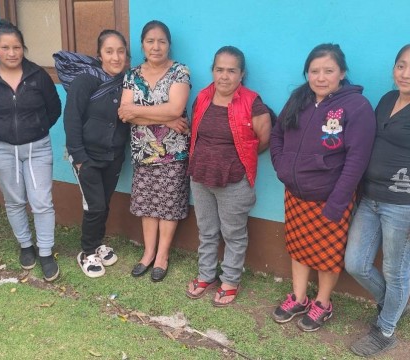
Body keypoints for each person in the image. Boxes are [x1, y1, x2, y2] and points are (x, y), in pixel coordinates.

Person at [270, 43, 376, 331]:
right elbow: (277, 133)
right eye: (314, 71)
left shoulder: (356, 107)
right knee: (298, 247)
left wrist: (339, 201)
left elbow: (357, 159)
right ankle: (299, 297)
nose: (320, 77)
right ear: (307, 73)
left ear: (342, 73)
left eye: (328, 70)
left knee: (327, 255)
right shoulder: (299, 98)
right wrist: (281, 166)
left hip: (331, 197)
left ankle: (323, 302)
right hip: (296, 193)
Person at [0, 20, 61, 282]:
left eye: (17, 47)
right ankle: (26, 246)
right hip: (1, 148)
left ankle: (45, 251)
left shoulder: (37, 75)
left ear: (24, 48)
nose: (12, 53)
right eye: (5, 47)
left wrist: (37, 128)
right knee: (15, 200)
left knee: (42, 201)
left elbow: (54, 108)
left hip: (38, 147)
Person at [185, 46, 271, 306]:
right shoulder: (202, 97)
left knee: (233, 233)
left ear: (241, 74)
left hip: (234, 180)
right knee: (207, 230)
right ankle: (206, 275)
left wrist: (234, 163)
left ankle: (231, 280)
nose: (224, 76)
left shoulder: (253, 102)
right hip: (200, 176)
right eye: (219, 69)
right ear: (212, 71)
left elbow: (263, 141)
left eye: (231, 70)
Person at [345, 44, 410, 357]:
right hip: (369, 197)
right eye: (401, 65)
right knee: (355, 263)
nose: (406, 73)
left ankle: (385, 329)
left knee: (396, 270)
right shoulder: (386, 99)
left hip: (402, 204)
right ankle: (395, 304)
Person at [118, 20, 191, 282]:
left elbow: (175, 108)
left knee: (168, 205)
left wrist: (145, 112)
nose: (156, 46)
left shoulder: (180, 72)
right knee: (148, 205)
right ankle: (148, 253)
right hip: (143, 151)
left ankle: (162, 255)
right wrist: (166, 119)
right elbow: (124, 114)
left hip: (173, 152)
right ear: (142, 45)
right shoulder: (132, 75)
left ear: (169, 45)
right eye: (150, 41)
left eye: (161, 41)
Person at [62, 30, 129, 278]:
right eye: (109, 51)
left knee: (104, 203)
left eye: (120, 51)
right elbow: (71, 118)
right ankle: (87, 252)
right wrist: (79, 157)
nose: (115, 57)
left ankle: (98, 243)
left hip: (113, 156)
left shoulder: (127, 83)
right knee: (95, 205)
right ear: (99, 54)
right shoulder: (86, 80)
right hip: (87, 156)